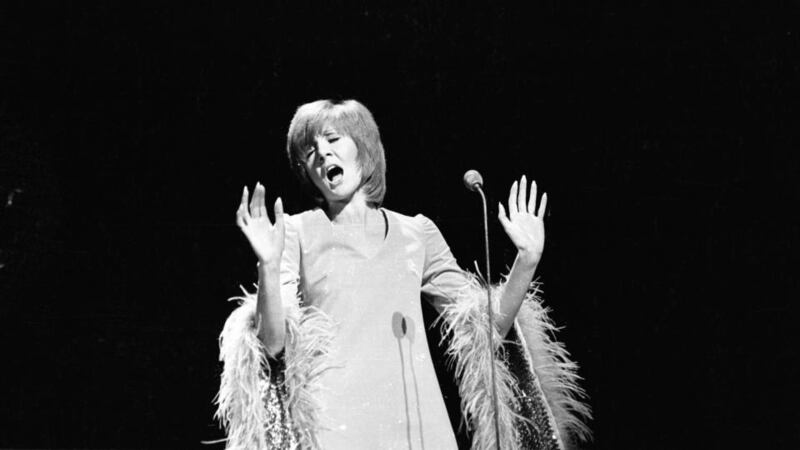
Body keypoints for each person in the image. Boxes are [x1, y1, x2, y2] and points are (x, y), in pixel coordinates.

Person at [215, 99, 590, 449]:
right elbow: (272, 342)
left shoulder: (417, 233)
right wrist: (267, 263)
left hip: (420, 426)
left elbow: (486, 327)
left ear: (363, 148)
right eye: (309, 151)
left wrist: (527, 259)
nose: (322, 153)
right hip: (338, 430)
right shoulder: (296, 232)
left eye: (332, 139)